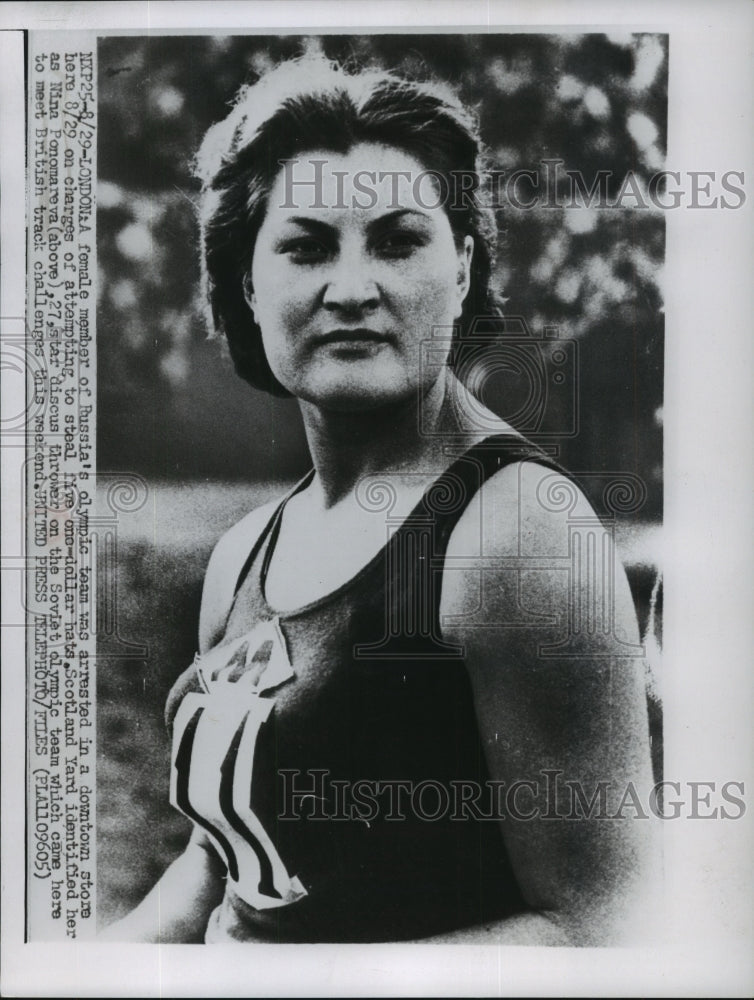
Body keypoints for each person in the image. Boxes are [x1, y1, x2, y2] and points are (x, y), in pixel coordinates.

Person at [102, 54, 658, 945]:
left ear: (465, 268)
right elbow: (222, 865)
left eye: (398, 241)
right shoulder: (246, 554)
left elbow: (605, 930)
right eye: (307, 245)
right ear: (248, 284)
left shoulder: (516, 535)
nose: (352, 288)